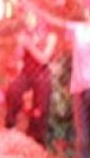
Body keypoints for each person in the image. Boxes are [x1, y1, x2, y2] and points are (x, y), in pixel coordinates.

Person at [4, 9, 57, 145]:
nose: (28, 21)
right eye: (27, 18)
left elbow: (44, 59)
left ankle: (36, 138)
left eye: (31, 18)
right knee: (13, 90)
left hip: (42, 74)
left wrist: (29, 45)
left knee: (40, 107)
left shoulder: (50, 36)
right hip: (27, 72)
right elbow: (19, 58)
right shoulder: (25, 35)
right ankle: (10, 123)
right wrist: (19, 49)